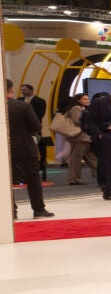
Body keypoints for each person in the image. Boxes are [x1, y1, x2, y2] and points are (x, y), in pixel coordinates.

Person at [7, 79, 53, 219]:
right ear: (11, 90)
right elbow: (36, 127)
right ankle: (38, 209)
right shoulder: (22, 106)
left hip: (4, 149)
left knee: (5, 181)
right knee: (33, 178)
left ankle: (11, 211)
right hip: (24, 147)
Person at [18, 83, 48, 180]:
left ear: (31, 90)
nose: (23, 91)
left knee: (38, 147)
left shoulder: (40, 101)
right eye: (22, 90)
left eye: (24, 89)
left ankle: (42, 166)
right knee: (24, 148)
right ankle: (23, 172)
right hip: (22, 129)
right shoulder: (19, 100)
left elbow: (39, 115)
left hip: (34, 129)